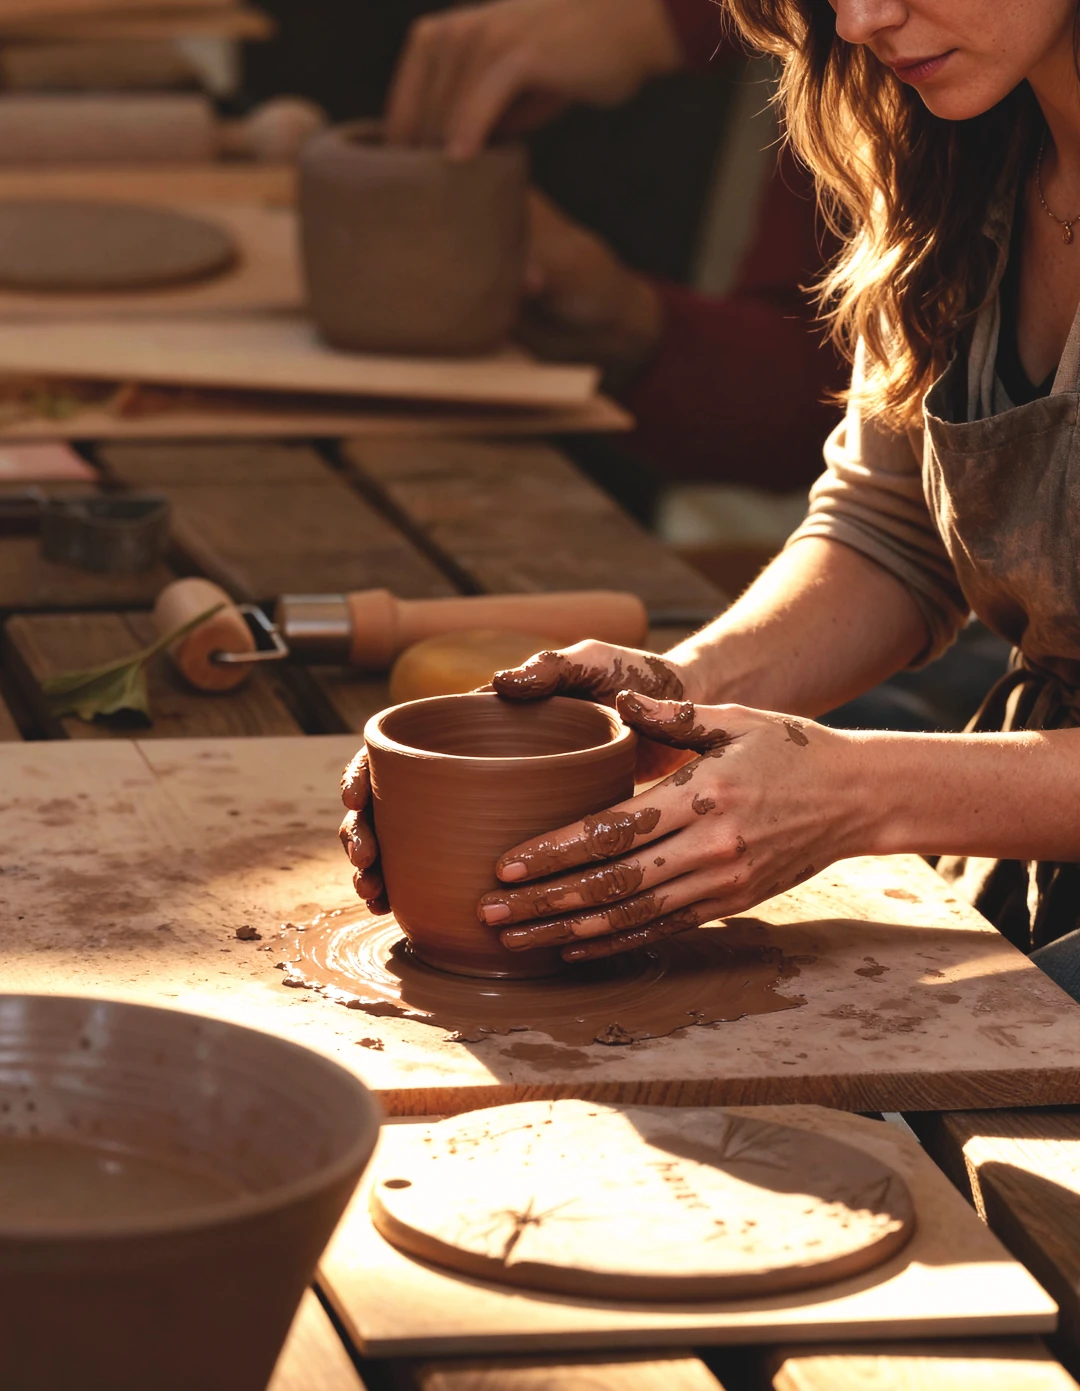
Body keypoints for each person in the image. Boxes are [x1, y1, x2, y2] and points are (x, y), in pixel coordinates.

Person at [343, 0, 1080, 1000]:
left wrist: (861, 793)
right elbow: (891, 530)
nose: (861, 18)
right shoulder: (955, 147)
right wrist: (666, 701)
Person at [384, 0, 843, 488]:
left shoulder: (862, 50)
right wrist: (626, 324)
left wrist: (681, 16)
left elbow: (842, 412)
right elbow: (835, 400)